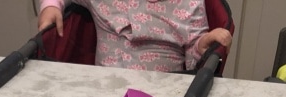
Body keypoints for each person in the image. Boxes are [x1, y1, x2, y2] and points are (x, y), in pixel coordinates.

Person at [37, 0, 233, 72]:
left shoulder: (189, 4)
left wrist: (202, 45)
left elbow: (193, 59)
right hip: (104, 91)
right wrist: (51, 7)